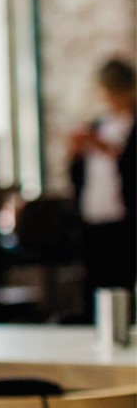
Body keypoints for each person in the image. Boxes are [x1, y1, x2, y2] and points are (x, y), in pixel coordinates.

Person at [67, 57, 136, 308]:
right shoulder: (97, 125)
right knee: (94, 282)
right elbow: (80, 175)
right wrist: (75, 156)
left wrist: (112, 151)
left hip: (125, 216)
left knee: (123, 280)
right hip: (94, 214)